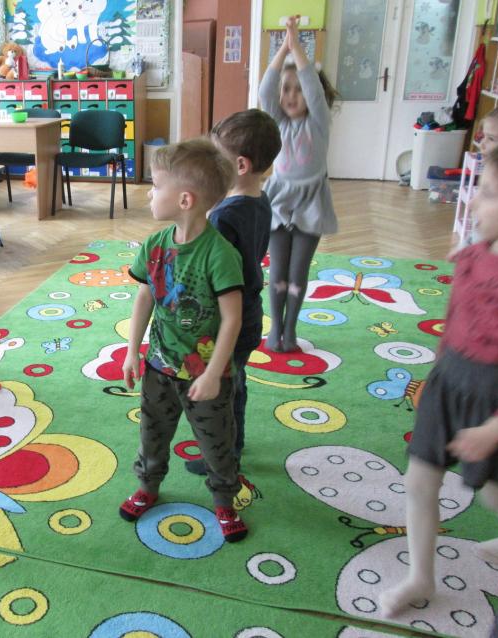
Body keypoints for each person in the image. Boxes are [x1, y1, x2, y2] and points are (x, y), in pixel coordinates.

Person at [378, 144, 498, 617]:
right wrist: (437, 376)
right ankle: (421, 577)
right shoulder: (472, 255)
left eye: (489, 193)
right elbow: (456, 316)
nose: (473, 201)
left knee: (496, 491)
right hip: (450, 381)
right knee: (419, 481)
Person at [119, 137, 249, 543]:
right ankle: (148, 486)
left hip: (206, 375)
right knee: (152, 432)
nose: (150, 193)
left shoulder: (219, 254)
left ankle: (224, 501)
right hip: (159, 365)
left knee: (216, 441)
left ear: (185, 200)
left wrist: (213, 374)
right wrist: (132, 352)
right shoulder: (154, 246)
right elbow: (144, 297)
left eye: (156, 185)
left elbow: (233, 319)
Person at [185, 109, 282, 477]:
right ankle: (234, 442)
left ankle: (225, 453)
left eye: (217, 157)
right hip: (250, 311)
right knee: (235, 382)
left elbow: (212, 272)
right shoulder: (261, 200)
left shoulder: (224, 216)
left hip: (229, 317)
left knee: (223, 389)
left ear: (240, 165)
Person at [259, 15, 338, 353]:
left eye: (298, 89)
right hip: (279, 200)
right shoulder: (276, 122)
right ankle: (276, 328)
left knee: (297, 274)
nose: (291, 95)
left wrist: (298, 48)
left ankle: (290, 330)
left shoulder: (318, 122)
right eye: (286, 89)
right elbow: (266, 90)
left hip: (311, 202)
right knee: (277, 272)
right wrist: (283, 49)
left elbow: (312, 88)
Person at [451, 103, 498, 253]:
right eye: (483, 137)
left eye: (491, 138)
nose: (482, 144)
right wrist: (464, 250)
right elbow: (477, 233)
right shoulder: (490, 171)